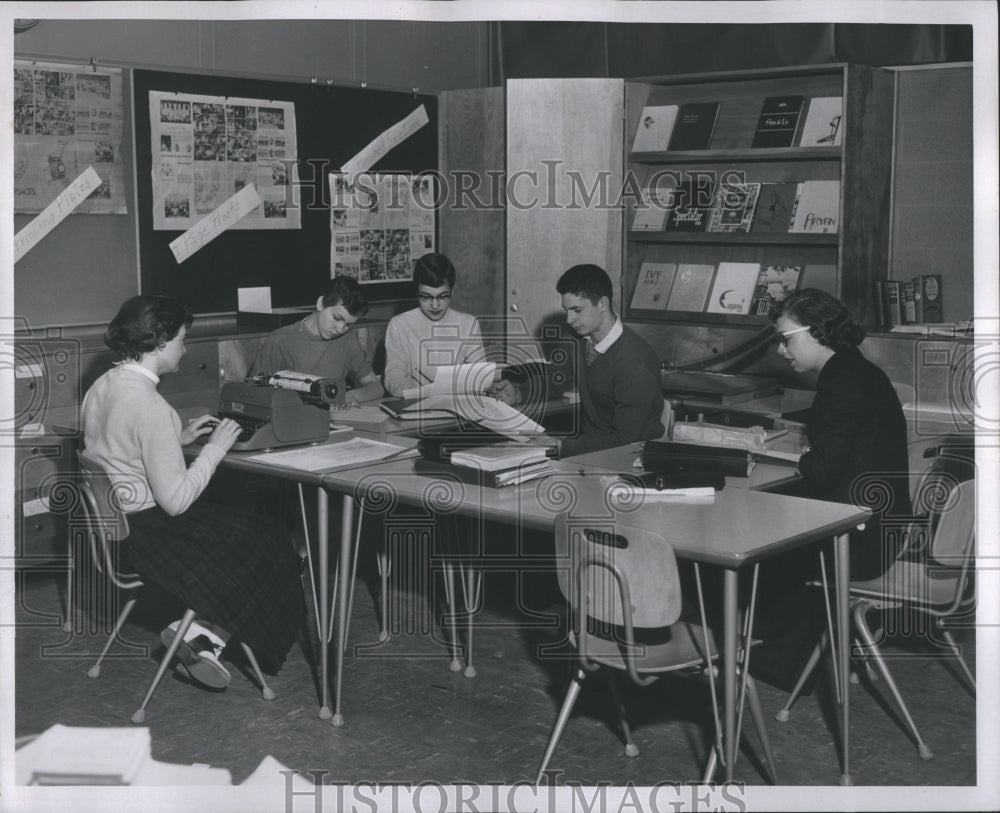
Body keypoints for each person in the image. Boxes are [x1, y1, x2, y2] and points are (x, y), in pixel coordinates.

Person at [81, 295, 305, 690]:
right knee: (266, 536)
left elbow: (117, 447)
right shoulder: (149, 404)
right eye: (183, 338)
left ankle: (203, 636)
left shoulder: (103, 385)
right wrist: (215, 450)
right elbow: (177, 501)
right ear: (162, 340)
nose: (185, 348)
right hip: (153, 535)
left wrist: (175, 439)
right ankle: (201, 636)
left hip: (119, 529)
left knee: (243, 525)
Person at [772, 287, 912, 579]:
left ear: (819, 332)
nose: (780, 350)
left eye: (786, 339)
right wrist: (812, 454)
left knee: (757, 548)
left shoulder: (839, 383)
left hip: (860, 542)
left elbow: (822, 473)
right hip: (880, 529)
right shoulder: (858, 369)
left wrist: (808, 457)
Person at [551, 263, 665, 457]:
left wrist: (561, 447)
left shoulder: (635, 361)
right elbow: (558, 377)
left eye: (577, 310)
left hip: (631, 458)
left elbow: (624, 439)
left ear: (603, 304)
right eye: (566, 310)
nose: (569, 320)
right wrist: (518, 392)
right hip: (591, 451)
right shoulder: (579, 341)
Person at [250, 275, 383, 406]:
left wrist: (351, 396)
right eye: (337, 318)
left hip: (332, 421)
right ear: (321, 304)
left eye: (348, 324)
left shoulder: (348, 341)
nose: (340, 329)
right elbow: (251, 392)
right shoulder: (280, 340)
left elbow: (376, 387)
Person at [383, 252, 485, 398]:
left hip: (458, 406)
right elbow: (393, 377)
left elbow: (480, 377)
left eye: (442, 296)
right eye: (426, 297)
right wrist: (423, 393)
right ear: (416, 292)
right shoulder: (399, 324)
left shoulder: (469, 324)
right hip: (416, 406)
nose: (435, 305)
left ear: (452, 291)